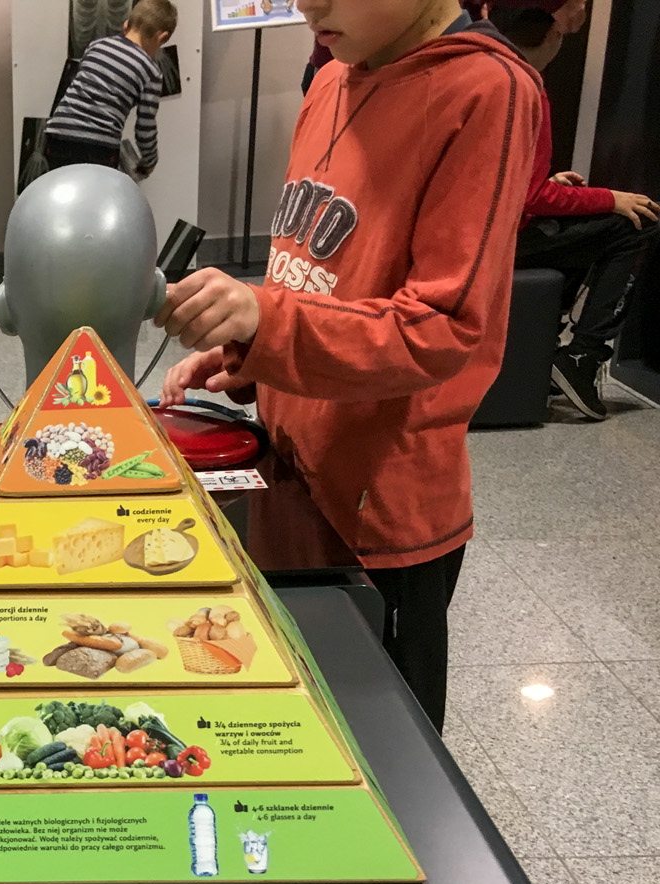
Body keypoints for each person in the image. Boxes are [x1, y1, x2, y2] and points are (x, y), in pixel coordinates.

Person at [155, 0, 540, 732]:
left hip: (381, 516)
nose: (307, 4)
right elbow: (318, 274)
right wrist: (251, 351)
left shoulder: (486, 89)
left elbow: (443, 327)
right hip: (292, 475)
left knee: (381, 746)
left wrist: (268, 322)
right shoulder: (332, 76)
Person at [486, 0, 659, 419]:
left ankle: (545, 351)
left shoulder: (484, 70)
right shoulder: (526, 86)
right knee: (636, 224)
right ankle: (582, 357)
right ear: (551, 32)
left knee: (578, 228)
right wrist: (610, 198)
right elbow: (532, 198)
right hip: (497, 240)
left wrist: (549, 184)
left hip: (479, 231)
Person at [44, 0, 177, 177]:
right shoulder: (151, 72)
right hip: (99, 146)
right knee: (96, 193)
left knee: (61, 190)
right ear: (161, 37)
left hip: (58, 133)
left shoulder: (96, 46)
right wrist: (149, 161)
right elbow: (145, 128)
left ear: (126, 25)